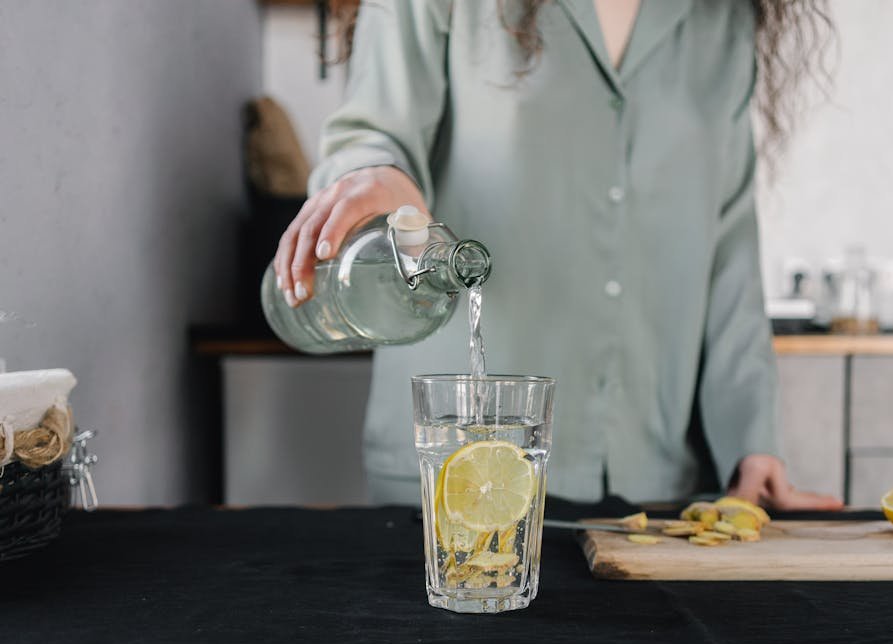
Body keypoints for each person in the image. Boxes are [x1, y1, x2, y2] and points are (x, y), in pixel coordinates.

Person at [273, 0, 843, 510]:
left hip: (658, 485)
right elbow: (374, 132)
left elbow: (729, 253)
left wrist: (752, 441)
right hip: (460, 476)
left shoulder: (724, 15)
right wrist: (379, 177)